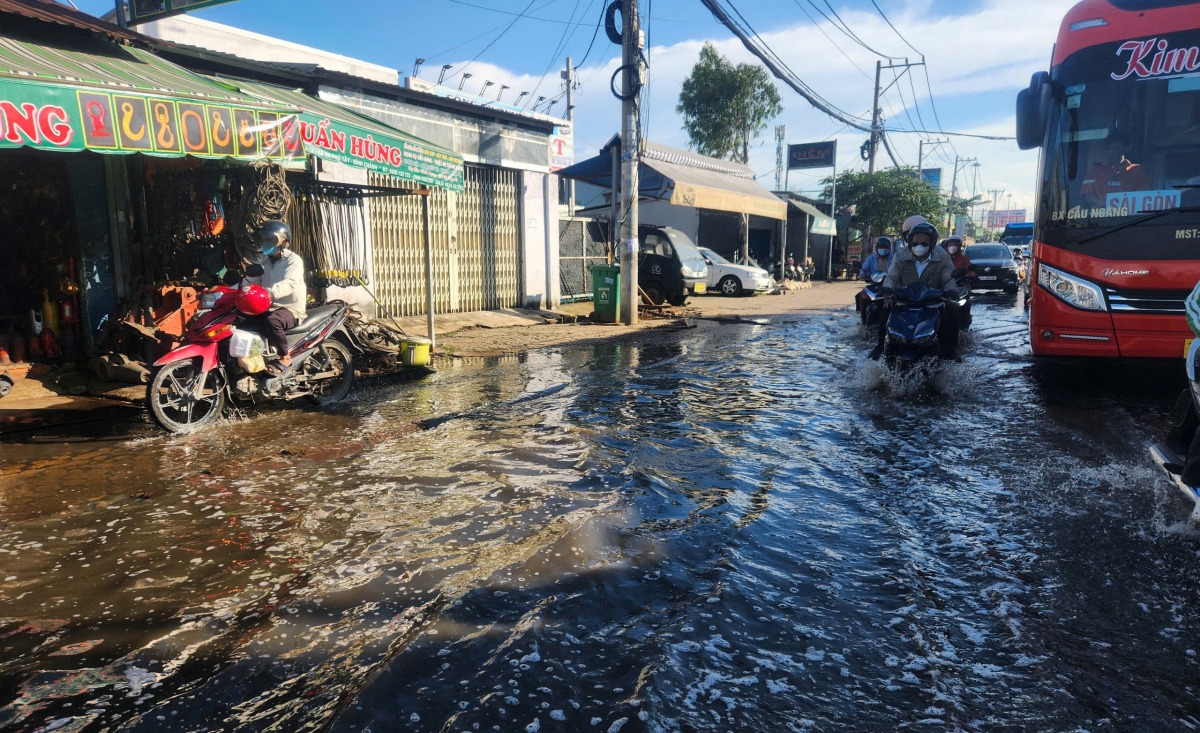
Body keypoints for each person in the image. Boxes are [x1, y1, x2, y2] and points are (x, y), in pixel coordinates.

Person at [870, 221, 962, 361]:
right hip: (904, 301)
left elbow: (948, 278)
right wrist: (887, 288)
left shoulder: (942, 257)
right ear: (910, 241)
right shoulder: (900, 255)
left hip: (932, 303)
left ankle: (949, 352)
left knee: (949, 317)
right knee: (884, 314)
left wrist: (950, 290)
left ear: (932, 243)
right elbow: (892, 275)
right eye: (915, 242)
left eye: (924, 243)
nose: (919, 246)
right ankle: (879, 348)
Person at [245, 220, 306, 368]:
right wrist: (227, 291)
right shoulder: (264, 262)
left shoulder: (293, 261)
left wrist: (269, 293)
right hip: (268, 306)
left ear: (282, 241)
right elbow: (251, 282)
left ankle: (285, 356)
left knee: (273, 321)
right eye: (263, 239)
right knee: (241, 321)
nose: (265, 243)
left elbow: (290, 283)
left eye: (269, 239)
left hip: (290, 309)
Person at [1081, 130, 1150, 208]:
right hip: (1100, 218)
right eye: (1109, 148)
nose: (1112, 151)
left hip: (1131, 217)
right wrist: (1106, 205)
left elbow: (1142, 196)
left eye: (1116, 148)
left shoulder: (1137, 171)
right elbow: (1088, 196)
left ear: (1126, 148)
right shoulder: (1094, 172)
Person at [856, 237, 893, 320]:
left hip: (889, 286)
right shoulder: (871, 258)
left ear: (889, 248)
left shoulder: (894, 258)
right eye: (881, 247)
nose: (883, 249)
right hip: (874, 285)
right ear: (876, 248)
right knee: (860, 296)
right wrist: (861, 275)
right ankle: (861, 316)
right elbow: (864, 269)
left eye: (885, 247)